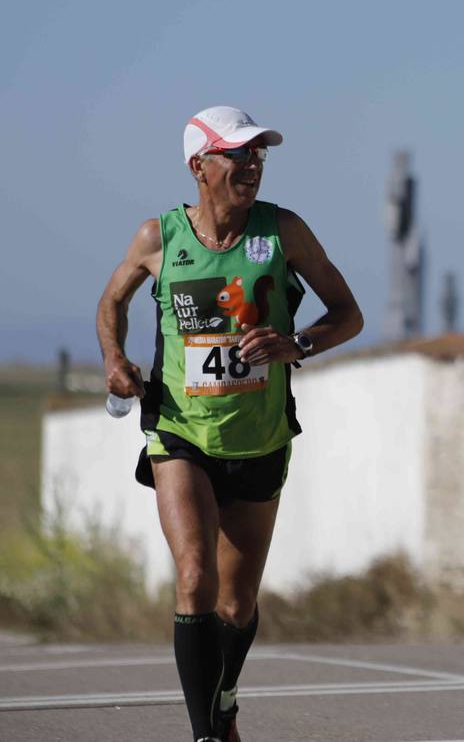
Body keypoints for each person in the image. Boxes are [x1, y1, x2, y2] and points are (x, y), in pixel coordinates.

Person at [96, 106, 364, 742]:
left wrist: (295, 344)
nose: (252, 165)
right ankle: (206, 735)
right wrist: (113, 357)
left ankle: (226, 700)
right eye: (237, 155)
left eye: (258, 155)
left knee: (237, 605)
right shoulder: (157, 237)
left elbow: (348, 313)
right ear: (199, 166)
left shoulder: (284, 231)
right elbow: (112, 300)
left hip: (261, 434)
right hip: (180, 431)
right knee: (195, 576)